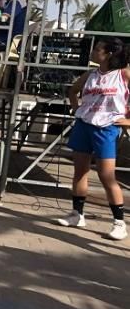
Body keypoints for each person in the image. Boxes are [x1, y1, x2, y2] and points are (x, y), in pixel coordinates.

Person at [56, 38, 130, 240]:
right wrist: (76, 109)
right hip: (85, 124)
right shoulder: (90, 74)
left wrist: (127, 120)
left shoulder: (123, 74)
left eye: (98, 49)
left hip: (106, 128)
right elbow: (73, 90)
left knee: (107, 176)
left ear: (109, 54)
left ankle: (119, 222)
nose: (93, 52)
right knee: (80, 171)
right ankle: (77, 214)